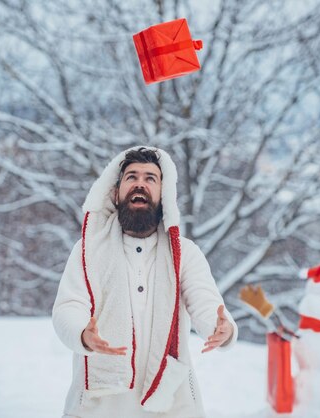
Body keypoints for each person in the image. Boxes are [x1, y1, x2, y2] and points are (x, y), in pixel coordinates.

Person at [52, 146, 238, 418]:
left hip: (171, 403)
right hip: (97, 406)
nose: (140, 183)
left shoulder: (184, 253)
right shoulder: (87, 250)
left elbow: (206, 303)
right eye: (132, 177)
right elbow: (68, 307)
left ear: (165, 195)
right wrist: (82, 333)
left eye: (150, 178)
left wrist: (222, 328)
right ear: (115, 194)